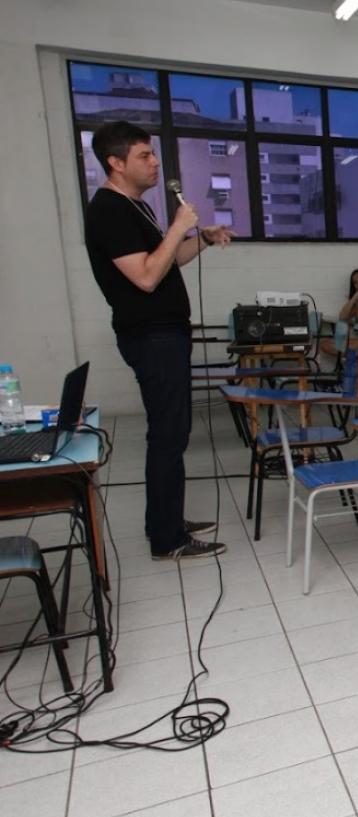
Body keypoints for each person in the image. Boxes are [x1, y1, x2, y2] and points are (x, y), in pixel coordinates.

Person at [83, 120, 234, 559]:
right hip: (151, 336)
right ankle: (168, 539)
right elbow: (146, 278)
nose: (154, 163)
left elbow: (167, 261)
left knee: (173, 431)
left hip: (166, 333)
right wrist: (178, 225)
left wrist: (200, 239)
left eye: (153, 154)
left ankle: (165, 520)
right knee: (168, 434)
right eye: (144, 156)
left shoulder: (137, 207)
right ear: (115, 162)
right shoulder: (108, 211)